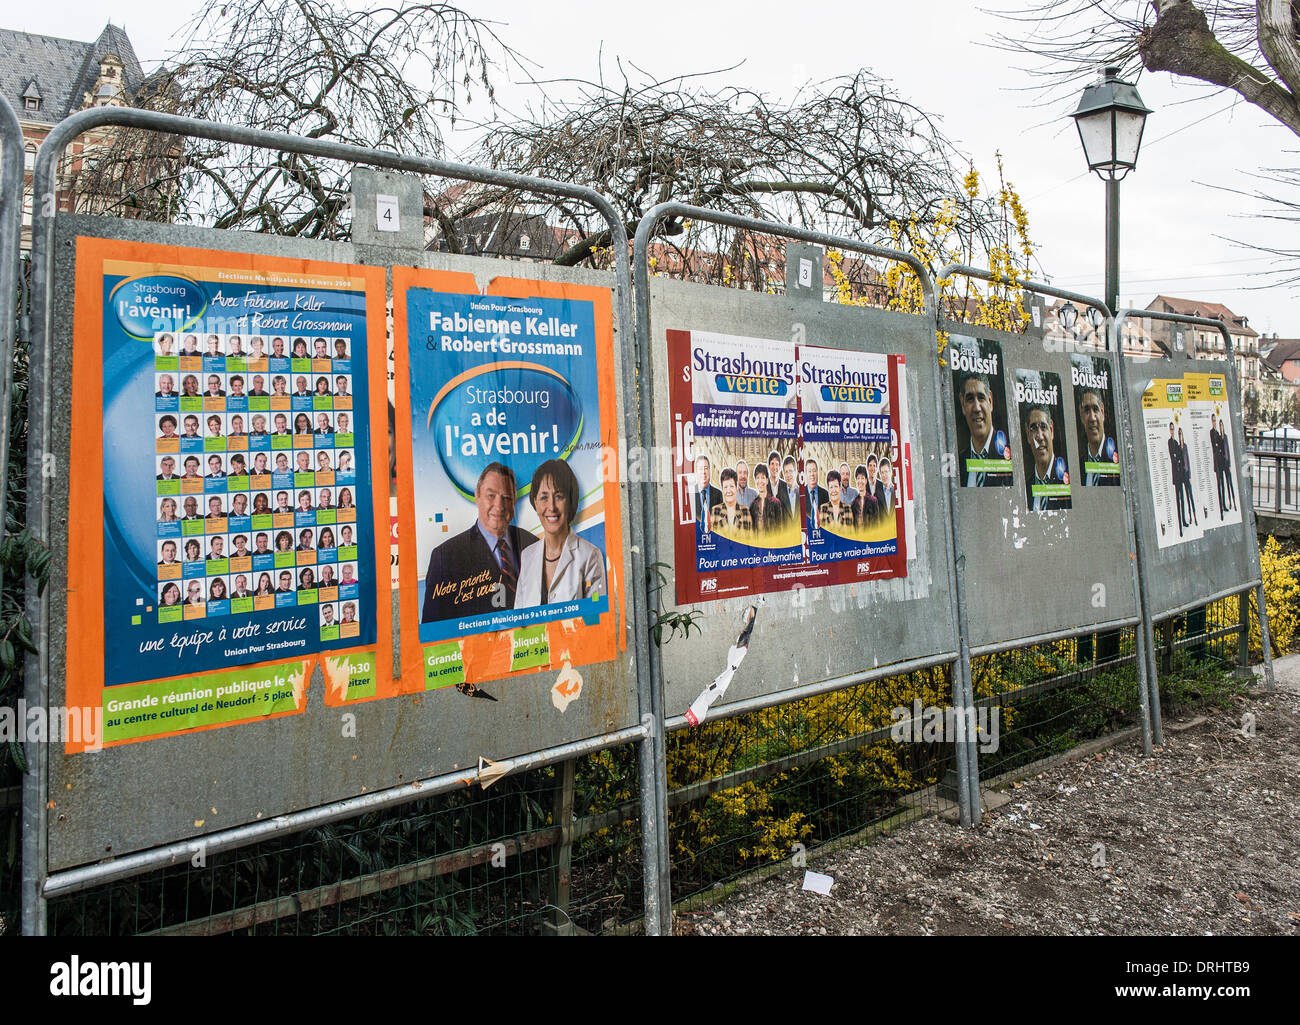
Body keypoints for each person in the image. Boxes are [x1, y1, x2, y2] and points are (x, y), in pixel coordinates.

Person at [421, 461, 538, 622]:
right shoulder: (445, 557)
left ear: (514, 501)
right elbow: (434, 633)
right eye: (491, 496)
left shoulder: (533, 544)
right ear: (477, 495)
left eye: (506, 497)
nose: (499, 506)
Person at [515, 459, 606, 607]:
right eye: (544, 497)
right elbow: (519, 621)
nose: (551, 507)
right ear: (535, 502)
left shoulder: (590, 556)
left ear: (570, 501)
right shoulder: (527, 556)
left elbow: (595, 618)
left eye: (559, 496)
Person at [957, 371, 1011, 486]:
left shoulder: (1008, 459)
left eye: (981, 398)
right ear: (962, 404)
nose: (977, 408)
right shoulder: (959, 463)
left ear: (990, 401)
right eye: (970, 399)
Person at [1025, 404, 1069, 511]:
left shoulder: (1067, 481)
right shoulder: (1026, 489)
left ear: (1052, 430)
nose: (1039, 436)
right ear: (1028, 435)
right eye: (1034, 428)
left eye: (1043, 427)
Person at [1078, 386, 1118, 487]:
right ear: (1081, 416)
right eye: (1087, 411)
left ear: (1102, 413)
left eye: (1095, 409)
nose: (1092, 418)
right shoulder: (1079, 466)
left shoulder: (1117, 459)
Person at [709, 468, 755, 534]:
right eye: (725, 487)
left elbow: (750, 541)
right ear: (722, 489)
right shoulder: (715, 511)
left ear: (736, 488)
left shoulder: (746, 512)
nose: (729, 491)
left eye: (731, 486)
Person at [692, 455, 722, 530]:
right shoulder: (689, 494)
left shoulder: (718, 494)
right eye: (700, 469)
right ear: (696, 472)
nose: (703, 472)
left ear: (709, 471)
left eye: (706, 468)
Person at [748, 465, 779, 533]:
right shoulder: (753, 506)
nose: (760, 481)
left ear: (767, 481)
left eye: (763, 478)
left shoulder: (776, 503)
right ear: (755, 481)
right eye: (757, 478)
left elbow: (780, 529)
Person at [1169, 422, 1187, 535]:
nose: (1172, 431)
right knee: (1178, 499)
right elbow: (1173, 457)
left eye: (1173, 429)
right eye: (1170, 429)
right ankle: (1180, 526)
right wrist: (1178, 459)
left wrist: (1178, 456)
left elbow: (1180, 455)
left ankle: (1184, 520)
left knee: (1183, 498)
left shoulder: (1176, 442)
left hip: (1181, 474)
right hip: (1176, 474)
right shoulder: (1170, 442)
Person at [1178, 427, 1197, 527]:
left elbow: (1187, 460)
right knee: (1184, 497)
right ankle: (1188, 516)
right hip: (1182, 475)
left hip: (1186, 473)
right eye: (1179, 434)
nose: (1181, 436)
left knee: (1190, 496)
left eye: (1181, 434)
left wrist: (1189, 474)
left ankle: (1193, 516)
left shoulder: (1185, 446)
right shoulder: (1178, 447)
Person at [803, 458, 829, 528]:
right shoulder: (800, 494)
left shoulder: (825, 494)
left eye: (814, 471)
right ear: (805, 474)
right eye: (809, 471)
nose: (812, 474)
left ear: (818, 472)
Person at [778, 456, 799, 522]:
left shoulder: (804, 494)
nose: (788, 475)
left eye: (790, 471)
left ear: (796, 472)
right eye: (786, 472)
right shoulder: (779, 497)